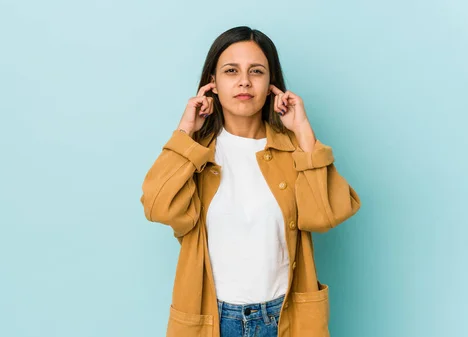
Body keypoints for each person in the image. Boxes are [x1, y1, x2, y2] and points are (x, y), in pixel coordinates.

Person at [140, 26, 361, 337]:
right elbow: (158, 207)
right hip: (214, 319)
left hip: (285, 317)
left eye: (256, 71)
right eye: (231, 70)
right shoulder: (196, 155)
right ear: (212, 83)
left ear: (271, 83)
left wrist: (303, 133)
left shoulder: (293, 150)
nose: (244, 80)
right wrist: (185, 133)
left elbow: (326, 215)